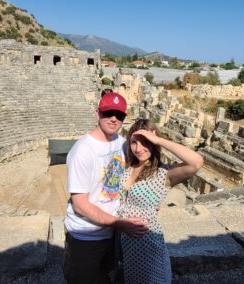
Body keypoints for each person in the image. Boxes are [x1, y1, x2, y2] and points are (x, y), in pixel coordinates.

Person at [63, 93, 149, 284]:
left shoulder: (122, 143)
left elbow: (131, 175)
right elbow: (80, 205)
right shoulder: (82, 151)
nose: (113, 119)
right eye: (108, 113)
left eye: (119, 115)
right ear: (97, 113)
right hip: (86, 235)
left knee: (105, 277)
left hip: (112, 232)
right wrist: (118, 223)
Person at [118, 119, 204, 284]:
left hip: (148, 243)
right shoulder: (127, 167)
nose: (139, 148)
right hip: (126, 245)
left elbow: (196, 162)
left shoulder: (163, 174)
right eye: (134, 143)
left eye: (146, 142)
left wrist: (159, 140)